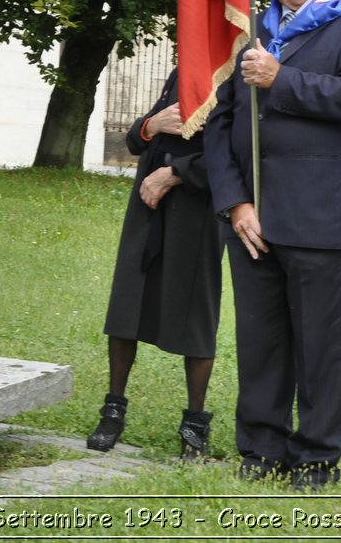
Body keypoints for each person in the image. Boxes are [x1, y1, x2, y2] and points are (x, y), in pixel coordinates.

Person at [204, 0, 341, 492]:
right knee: (260, 341)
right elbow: (220, 125)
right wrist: (236, 202)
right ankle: (261, 448)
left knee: (317, 344)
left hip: (318, 214)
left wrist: (280, 78)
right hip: (252, 214)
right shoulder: (251, 28)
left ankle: (315, 457)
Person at [87, 67, 224, 459]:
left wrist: (178, 173)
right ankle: (113, 410)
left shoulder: (236, 78)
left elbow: (237, 152)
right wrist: (151, 125)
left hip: (198, 205)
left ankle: (194, 424)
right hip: (148, 203)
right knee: (129, 301)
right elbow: (135, 140)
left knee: (196, 310)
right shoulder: (184, 70)